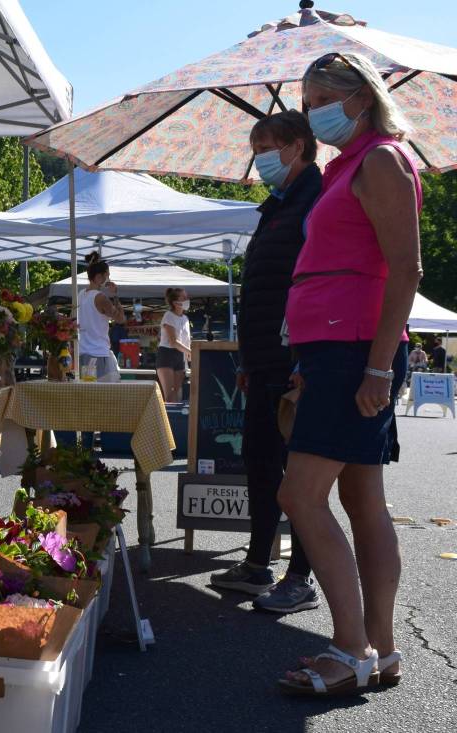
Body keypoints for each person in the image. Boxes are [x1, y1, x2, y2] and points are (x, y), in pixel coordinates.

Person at [276, 52, 422, 696]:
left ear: (361, 97)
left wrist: (377, 368)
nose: (312, 114)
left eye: (318, 100)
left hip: (354, 349)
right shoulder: (348, 167)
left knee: (298, 495)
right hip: (333, 351)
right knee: (362, 500)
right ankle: (382, 651)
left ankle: (350, 645)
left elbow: (407, 269)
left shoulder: (384, 160)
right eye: (307, 104)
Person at [210, 111, 319, 614]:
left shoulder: (315, 201)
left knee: (298, 472)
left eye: (267, 146)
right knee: (259, 459)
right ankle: (258, 564)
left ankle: (301, 575)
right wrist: (249, 359)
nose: (260, 158)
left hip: (297, 358)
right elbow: (262, 288)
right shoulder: (275, 207)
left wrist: (300, 355)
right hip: (264, 359)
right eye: (255, 148)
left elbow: (310, 284)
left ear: (298, 146)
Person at [78, 252, 126, 383]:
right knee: (103, 397)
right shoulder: (100, 297)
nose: (109, 279)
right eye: (107, 275)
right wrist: (115, 295)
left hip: (83, 352)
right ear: (99, 277)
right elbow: (121, 319)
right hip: (98, 353)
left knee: (88, 394)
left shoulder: (81, 294)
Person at [157, 288, 191, 401]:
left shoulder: (185, 318)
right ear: (175, 302)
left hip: (180, 355)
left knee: (177, 393)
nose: (187, 299)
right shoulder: (168, 316)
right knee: (170, 394)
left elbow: (186, 341)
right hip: (167, 353)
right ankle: (168, 418)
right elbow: (173, 342)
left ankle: (174, 418)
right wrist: (191, 352)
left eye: (187, 297)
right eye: (184, 298)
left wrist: (188, 356)